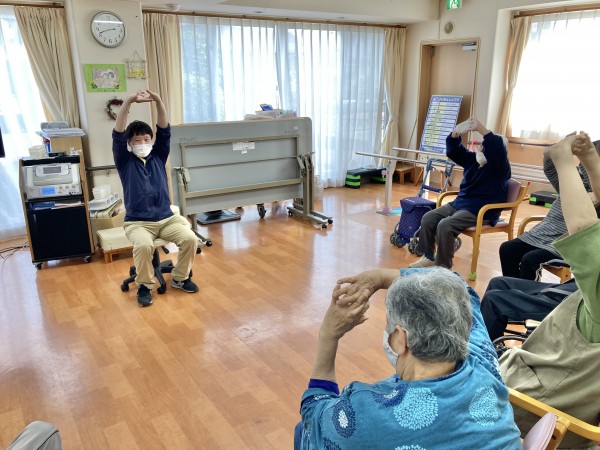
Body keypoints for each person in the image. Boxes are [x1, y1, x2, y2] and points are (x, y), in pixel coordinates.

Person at [296, 267, 522, 449]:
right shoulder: (482, 357)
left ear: (399, 339)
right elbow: (459, 285)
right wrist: (380, 277)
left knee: (303, 432)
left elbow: (313, 410)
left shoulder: (364, 414)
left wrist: (328, 335)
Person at [500, 131, 600, 448]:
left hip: (531, 404)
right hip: (542, 379)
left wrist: (563, 158)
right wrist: (589, 159)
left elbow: (584, 231)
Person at [113, 90, 199, 307]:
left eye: (146, 139)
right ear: (129, 143)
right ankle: (144, 286)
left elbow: (164, 129)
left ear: (151, 140)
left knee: (190, 239)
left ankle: (180, 278)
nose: (142, 143)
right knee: (143, 246)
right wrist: (129, 101)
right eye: (137, 140)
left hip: (166, 219)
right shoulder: (124, 161)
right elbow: (118, 132)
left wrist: (158, 100)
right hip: (138, 222)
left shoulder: (159, 155)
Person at [410, 116, 511, 269]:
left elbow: (497, 148)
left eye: (486, 147)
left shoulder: (501, 168)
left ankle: (443, 267)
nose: (482, 148)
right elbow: (454, 151)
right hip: (461, 204)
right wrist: (455, 133)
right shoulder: (473, 160)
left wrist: (481, 129)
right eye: (482, 146)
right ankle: (429, 257)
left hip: (481, 210)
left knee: (445, 225)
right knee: (428, 218)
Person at [498, 140, 599, 280]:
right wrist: (558, 147)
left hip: (566, 243)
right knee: (507, 249)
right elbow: (550, 168)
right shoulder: (573, 179)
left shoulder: (596, 192)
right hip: (542, 234)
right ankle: (513, 288)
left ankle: (527, 293)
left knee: (530, 260)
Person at [480, 276, 578, 341]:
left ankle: (487, 355)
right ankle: (489, 344)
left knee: (492, 300)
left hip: (572, 303)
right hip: (572, 286)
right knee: (497, 282)